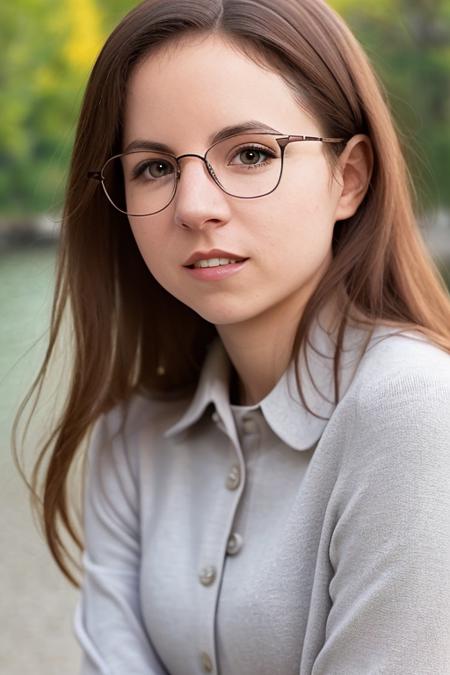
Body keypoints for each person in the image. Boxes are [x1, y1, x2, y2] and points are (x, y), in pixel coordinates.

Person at [13, 0, 450, 673]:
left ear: (350, 178)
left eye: (249, 153)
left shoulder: (413, 410)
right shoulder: (133, 436)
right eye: (154, 167)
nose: (194, 206)